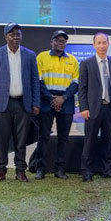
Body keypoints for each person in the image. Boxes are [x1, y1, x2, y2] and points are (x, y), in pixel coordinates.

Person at [0, 22, 40, 182]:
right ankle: (0, 170)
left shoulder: (30, 55)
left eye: (18, 34)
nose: (16, 37)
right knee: (1, 139)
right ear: (5, 36)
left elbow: (35, 81)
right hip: (3, 104)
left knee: (21, 140)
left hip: (23, 103)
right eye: (12, 34)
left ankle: (20, 171)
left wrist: (35, 103)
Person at [34, 30, 79, 180]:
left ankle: (60, 169)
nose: (61, 43)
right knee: (44, 137)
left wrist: (63, 98)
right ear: (51, 42)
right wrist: (51, 98)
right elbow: (38, 81)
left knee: (63, 138)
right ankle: (40, 169)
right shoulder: (41, 57)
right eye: (58, 40)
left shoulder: (73, 60)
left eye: (63, 41)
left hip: (66, 101)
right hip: (47, 101)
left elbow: (76, 83)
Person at [78, 32, 111, 181]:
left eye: (104, 42)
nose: (102, 45)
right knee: (89, 141)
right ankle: (86, 171)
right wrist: (84, 107)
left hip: (110, 108)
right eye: (99, 43)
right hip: (92, 109)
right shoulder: (86, 63)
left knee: (108, 141)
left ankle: (107, 170)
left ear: (108, 44)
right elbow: (82, 88)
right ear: (94, 45)